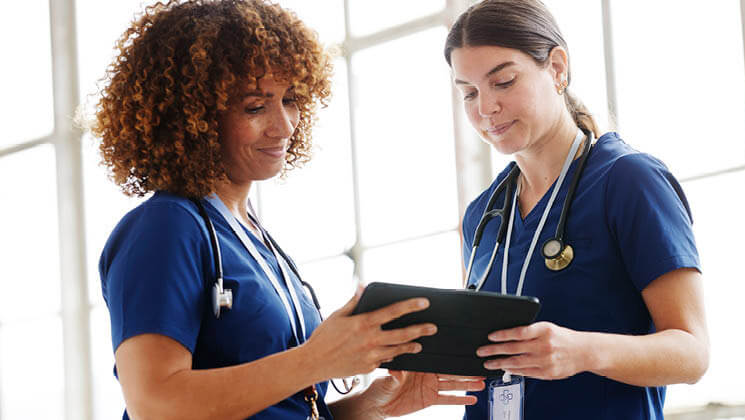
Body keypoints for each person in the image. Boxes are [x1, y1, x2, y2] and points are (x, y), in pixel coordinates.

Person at [92, 1, 483, 419]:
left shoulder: (252, 237)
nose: (285, 125)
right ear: (194, 117)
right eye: (256, 107)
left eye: (291, 99)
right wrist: (319, 359)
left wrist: (369, 405)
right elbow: (155, 404)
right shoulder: (165, 228)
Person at [444, 0, 710, 418]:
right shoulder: (483, 216)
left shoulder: (627, 181)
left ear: (557, 68)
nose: (485, 109)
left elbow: (692, 353)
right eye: (469, 93)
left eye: (505, 82)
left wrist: (583, 351)